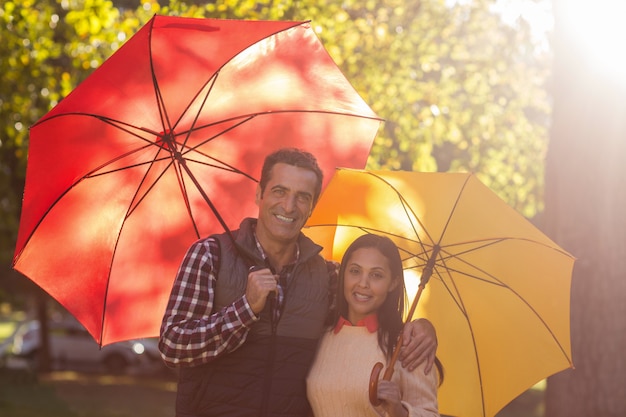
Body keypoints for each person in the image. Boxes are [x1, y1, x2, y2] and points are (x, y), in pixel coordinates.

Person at [159, 148, 438, 417]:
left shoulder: (326, 275)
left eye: (302, 197)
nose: (289, 206)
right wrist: (245, 309)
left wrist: (423, 328)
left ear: (312, 207)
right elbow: (173, 347)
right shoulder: (210, 255)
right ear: (259, 194)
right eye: (280, 191)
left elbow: (364, 314)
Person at [307, 234, 443, 417]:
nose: (363, 284)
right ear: (343, 273)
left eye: (376, 275)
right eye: (355, 271)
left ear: (393, 283)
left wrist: (400, 412)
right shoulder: (320, 335)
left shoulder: (408, 346)